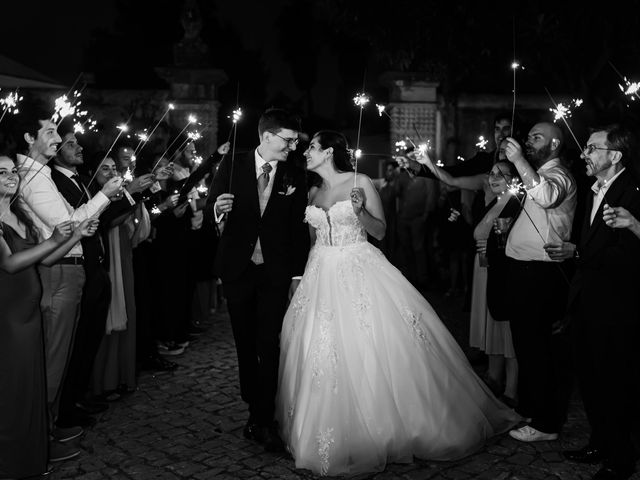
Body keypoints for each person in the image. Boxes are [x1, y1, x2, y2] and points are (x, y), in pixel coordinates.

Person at [276, 130, 520, 477]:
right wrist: (300, 279)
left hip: (359, 270)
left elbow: (379, 232)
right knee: (321, 349)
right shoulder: (313, 191)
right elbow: (314, 241)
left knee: (371, 345)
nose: (306, 153)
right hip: (320, 276)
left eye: (312, 147)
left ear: (328, 151)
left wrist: (360, 211)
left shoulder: (360, 182)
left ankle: (390, 428)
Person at [13, 102, 122, 440]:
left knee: (59, 357)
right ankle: (41, 437)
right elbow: (67, 225)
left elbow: (73, 225)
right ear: (29, 136)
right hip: (59, 270)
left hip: (68, 267)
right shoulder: (31, 178)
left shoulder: (41, 175)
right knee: (53, 360)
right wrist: (104, 195)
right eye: (50, 132)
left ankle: (47, 431)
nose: (58, 139)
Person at [208, 108, 310, 452]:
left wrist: (297, 274)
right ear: (266, 136)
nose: (293, 147)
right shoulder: (233, 163)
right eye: (288, 139)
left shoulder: (296, 173)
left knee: (269, 342)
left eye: (296, 141)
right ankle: (254, 400)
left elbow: (298, 229)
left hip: (274, 271)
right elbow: (213, 201)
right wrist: (216, 209)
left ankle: (263, 418)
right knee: (245, 342)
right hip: (238, 268)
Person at [545, 125, 640, 480]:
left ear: (614, 156)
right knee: (590, 377)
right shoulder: (592, 189)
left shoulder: (632, 191)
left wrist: (578, 250)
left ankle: (621, 457)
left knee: (615, 380)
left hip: (617, 305)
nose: (584, 153)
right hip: (588, 300)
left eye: (592, 148)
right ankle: (599, 442)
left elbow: (627, 254)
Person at [0, 153, 99, 474]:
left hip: (29, 312)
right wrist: (57, 237)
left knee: (31, 386)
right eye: (1, 173)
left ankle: (32, 454)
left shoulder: (19, 214)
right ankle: (10, 462)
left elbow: (44, 259)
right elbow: (10, 263)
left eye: (12, 170)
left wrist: (74, 235)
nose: (11, 176)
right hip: (9, 316)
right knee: (13, 389)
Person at [420, 146, 521, 407]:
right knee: (493, 328)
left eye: (502, 173)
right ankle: (494, 377)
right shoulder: (497, 200)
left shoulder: (514, 204)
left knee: (506, 331)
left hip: (500, 270)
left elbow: (512, 240)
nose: (494, 177)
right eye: (492, 173)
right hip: (484, 268)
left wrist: (494, 247)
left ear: (515, 179)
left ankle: (512, 389)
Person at [502, 122, 577, 443]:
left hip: (542, 275)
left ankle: (547, 423)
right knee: (526, 346)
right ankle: (533, 409)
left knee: (539, 349)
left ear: (555, 143)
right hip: (524, 273)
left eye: (536, 137)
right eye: (528, 136)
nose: (528, 142)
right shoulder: (540, 172)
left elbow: (546, 196)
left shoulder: (559, 175)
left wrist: (519, 160)